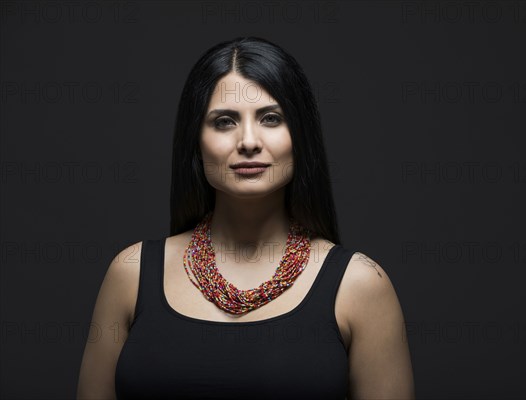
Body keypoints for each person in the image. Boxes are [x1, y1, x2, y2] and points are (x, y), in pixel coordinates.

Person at [76, 36, 415, 400]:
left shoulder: (360, 285)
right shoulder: (131, 272)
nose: (249, 141)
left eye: (271, 118)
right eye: (224, 121)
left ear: (300, 136)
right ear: (196, 141)